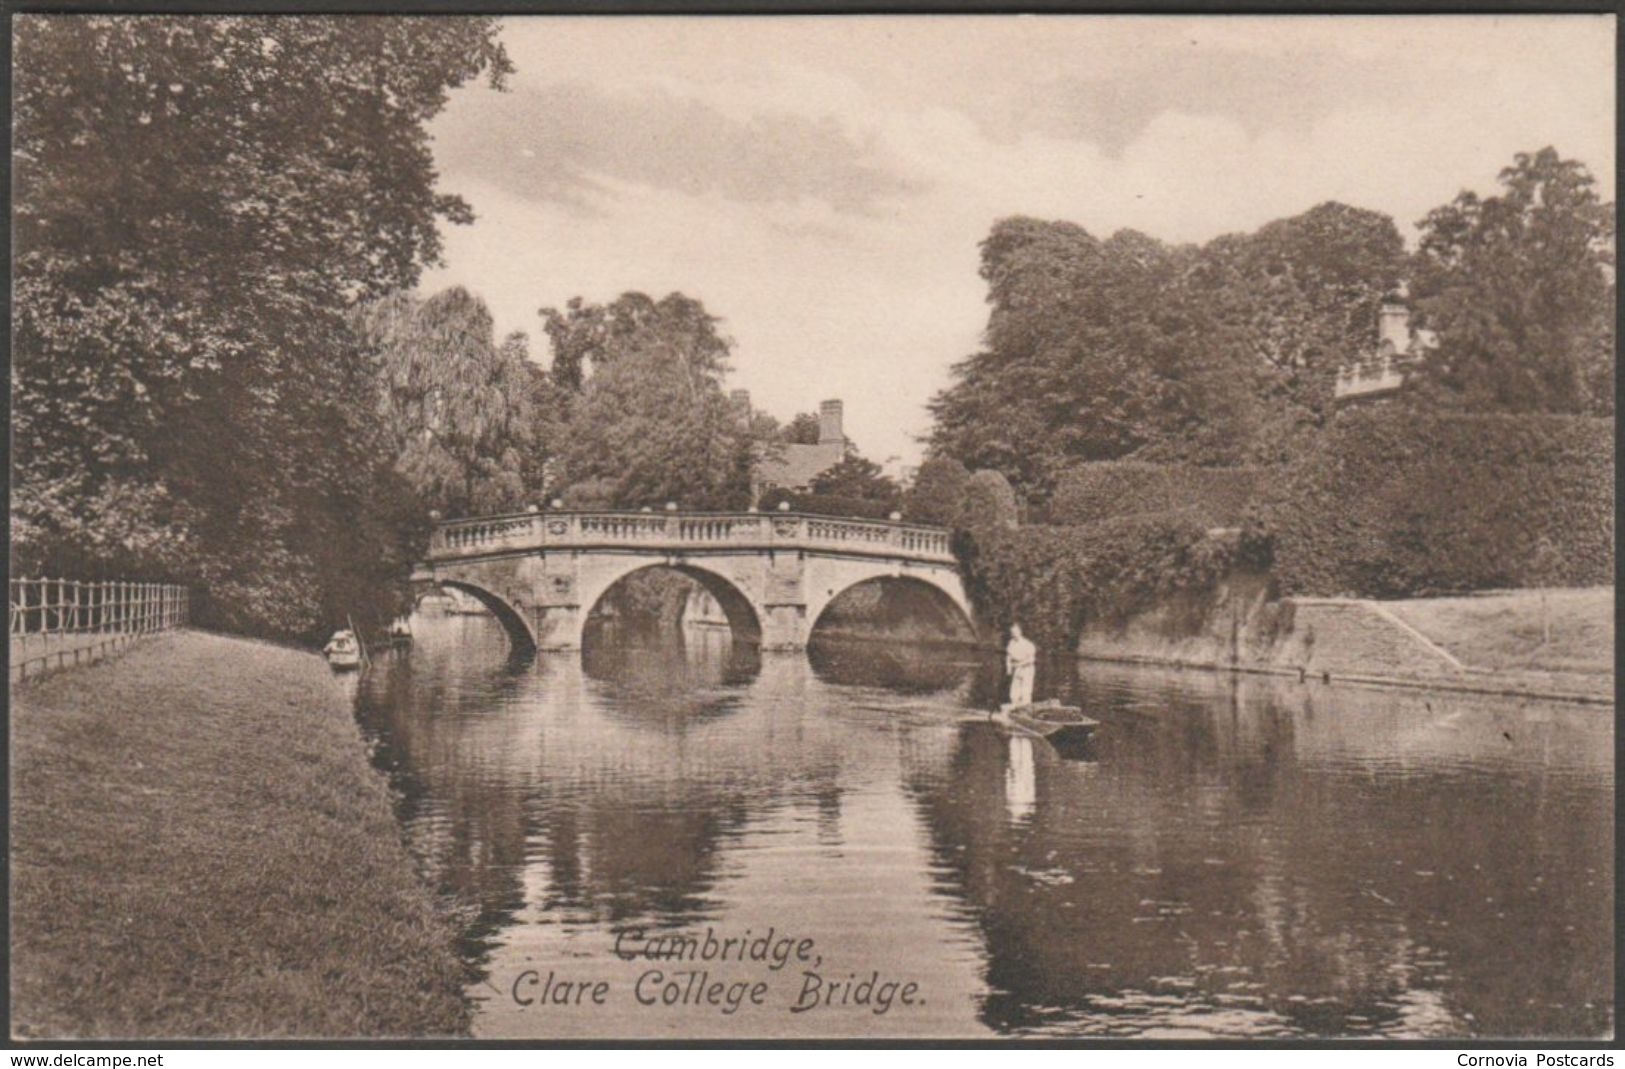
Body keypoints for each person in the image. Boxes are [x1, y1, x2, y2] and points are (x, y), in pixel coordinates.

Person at [1005, 623, 1037, 708]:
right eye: (1012, 632)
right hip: (1017, 668)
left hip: (1027, 668)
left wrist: (1020, 664)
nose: (1014, 634)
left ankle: (1025, 708)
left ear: (1020, 632)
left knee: (1026, 691)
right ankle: (1014, 706)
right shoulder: (1011, 643)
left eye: (1015, 632)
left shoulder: (1027, 644)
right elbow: (1008, 656)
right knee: (1014, 690)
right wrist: (1008, 668)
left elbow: (1031, 659)